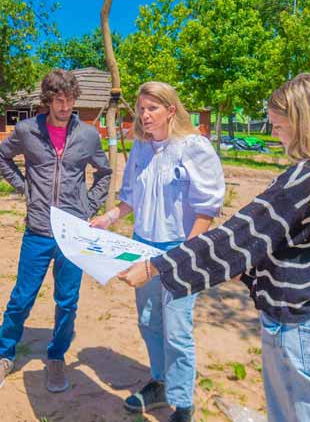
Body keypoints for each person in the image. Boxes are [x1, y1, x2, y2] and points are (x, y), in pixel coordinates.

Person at [119, 73, 310, 422]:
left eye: (279, 124)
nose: (274, 133)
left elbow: (240, 237)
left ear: (306, 122)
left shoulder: (306, 177)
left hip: (300, 326)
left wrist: (157, 267)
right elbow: (306, 246)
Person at [90, 81, 225, 422]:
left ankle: (182, 403)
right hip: (141, 248)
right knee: (149, 320)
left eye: (153, 108)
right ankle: (160, 383)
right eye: (142, 108)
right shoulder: (141, 148)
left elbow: (207, 208)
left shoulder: (193, 147)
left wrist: (186, 254)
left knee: (177, 328)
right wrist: (108, 218)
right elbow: (131, 198)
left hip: (179, 249)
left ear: (171, 110)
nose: (145, 115)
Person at [0, 69, 112, 394]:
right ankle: (5, 355)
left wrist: (88, 206)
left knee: (67, 301)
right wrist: (24, 187)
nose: (65, 106)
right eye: (58, 99)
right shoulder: (27, 131)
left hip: (73, 234)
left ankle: (56, 357)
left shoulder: (88, 135)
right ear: (48, 100)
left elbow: (104, 172)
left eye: (69, 99)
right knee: (21, 298)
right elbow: (2, 155)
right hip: (38, 231)